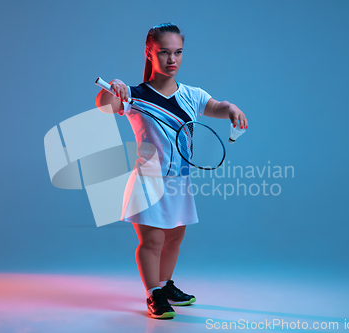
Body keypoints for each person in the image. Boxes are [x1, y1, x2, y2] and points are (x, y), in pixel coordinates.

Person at [95, 23, 248, 319]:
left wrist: (231, 109)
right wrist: (114, 86)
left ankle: (165, 285)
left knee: (175, 238)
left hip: (180, 182)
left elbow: (216, 106)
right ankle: (153, 294)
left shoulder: (191, 94)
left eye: (177, 52)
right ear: (149, 53)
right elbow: (104, 105)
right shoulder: (135, 95)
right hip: (148, 182)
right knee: (152, 242)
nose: (171, 59)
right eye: (163, 52)